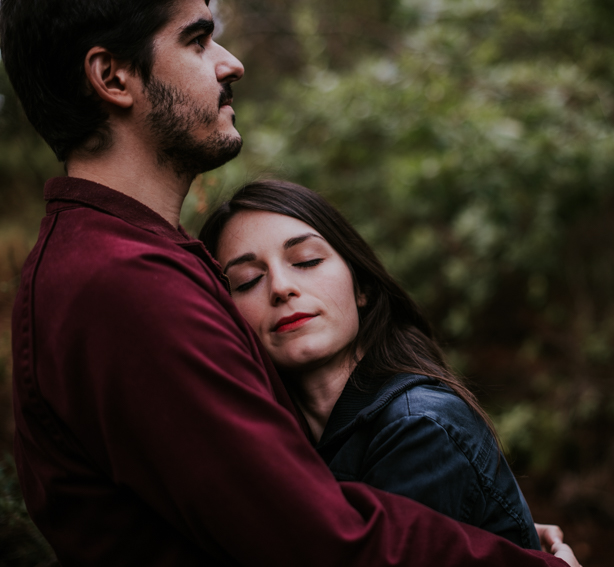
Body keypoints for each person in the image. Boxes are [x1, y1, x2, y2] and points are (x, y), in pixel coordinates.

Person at [0, 0, 577, 565]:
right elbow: (314, 541)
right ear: (113, 77)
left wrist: (485, 516)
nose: (230, 64)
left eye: (306, 261)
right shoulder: (122, 283)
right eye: (197, 40)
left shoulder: (122, 260)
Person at [199, 179, 539, 549]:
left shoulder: (419, 428)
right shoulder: (277, 442)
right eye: (247, 281)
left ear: (362, 287)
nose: (281, 287)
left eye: (306, 261)